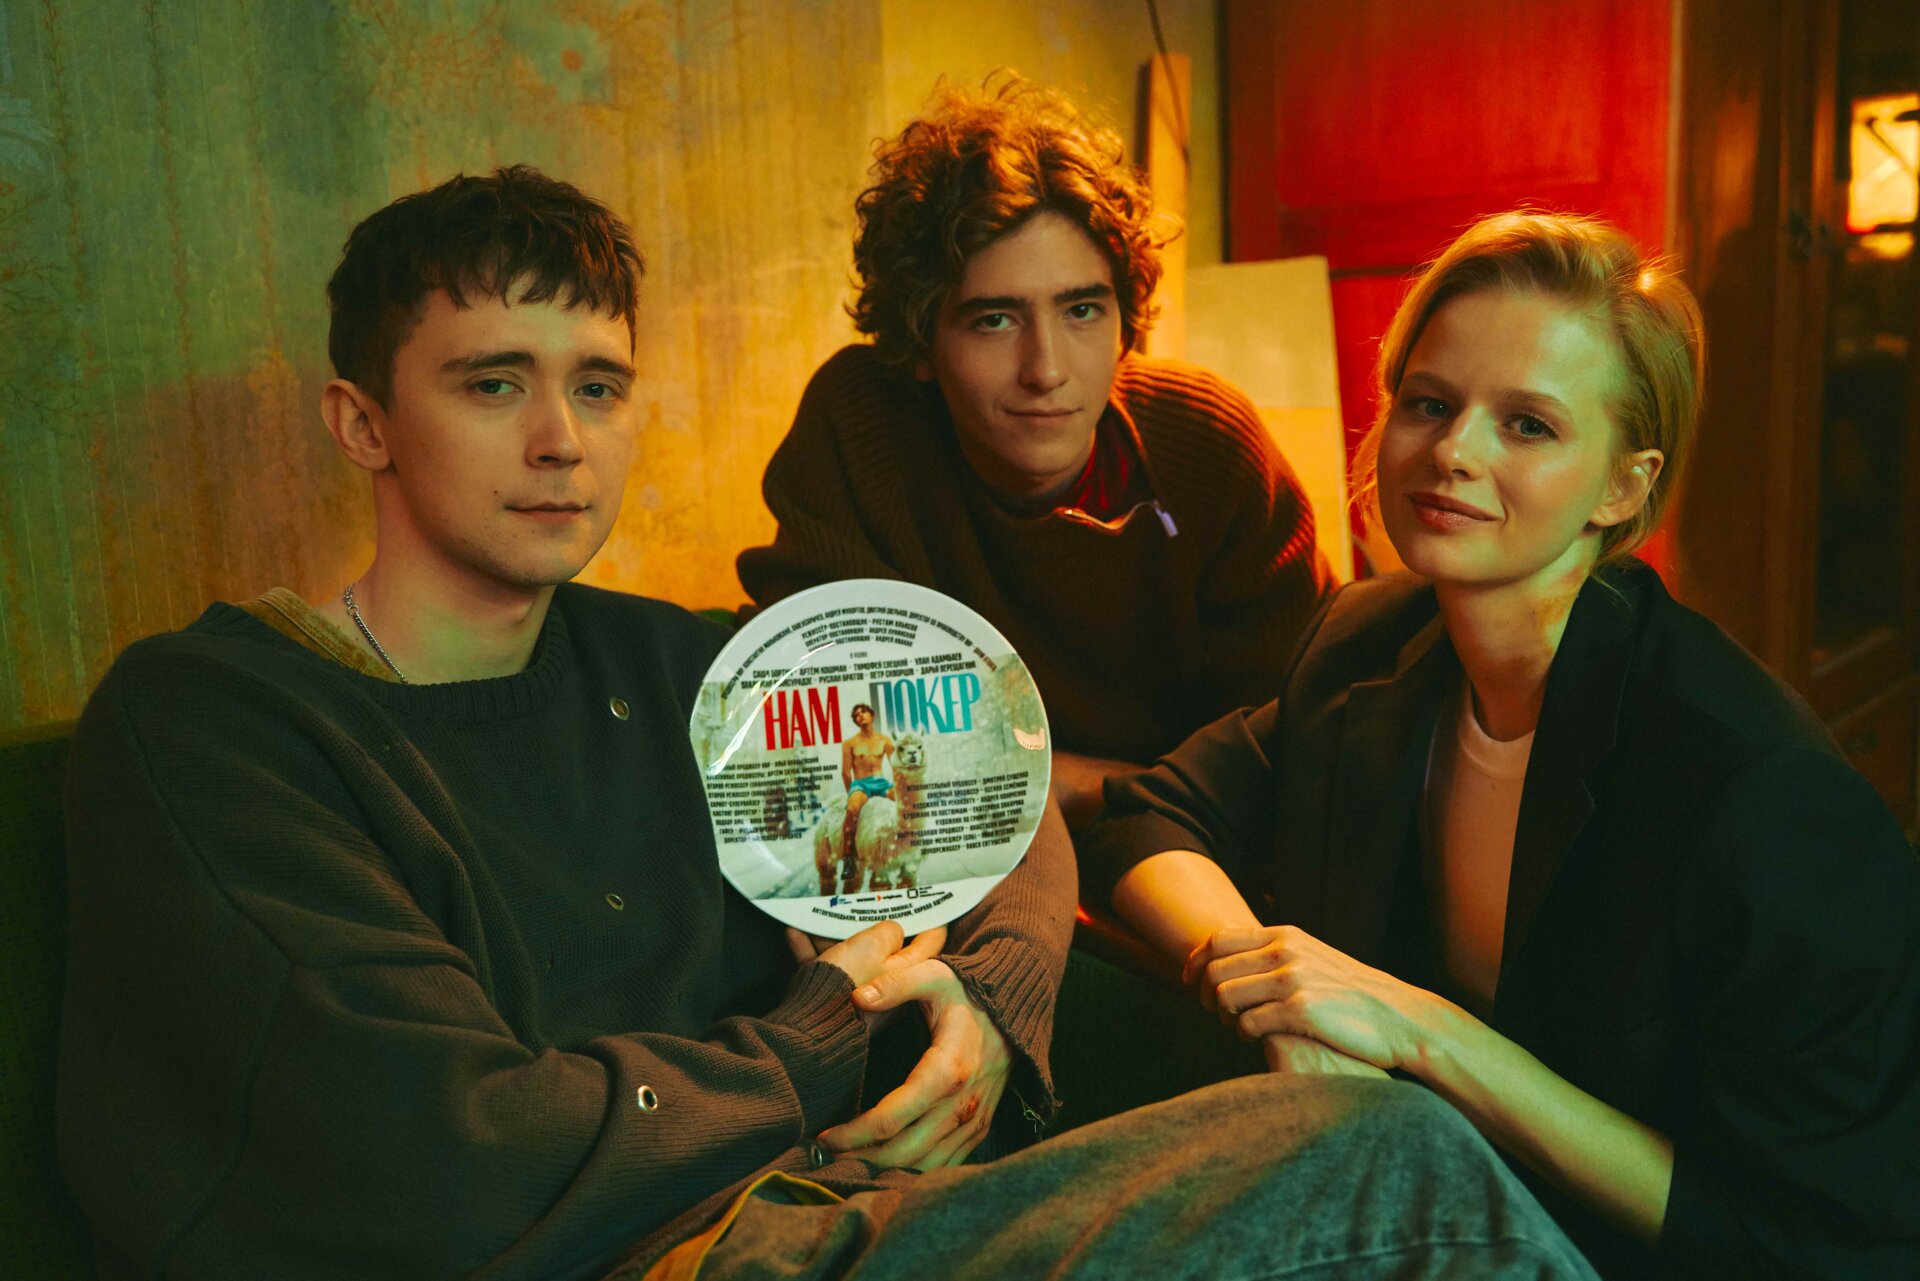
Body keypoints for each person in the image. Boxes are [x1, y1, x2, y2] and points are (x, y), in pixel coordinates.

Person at [56, 167, 1601, 1281]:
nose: (560, 440)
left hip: (838, 1204)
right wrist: (818, 1037)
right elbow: (451, 1156)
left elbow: (995, 796)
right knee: (1396, 1168)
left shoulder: (688, 666)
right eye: (493, 384)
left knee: (1368, 1125)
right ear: (363, 422)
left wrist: (986, 1002)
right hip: (658, 1252)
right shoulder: (223, 721)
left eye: (599, 386)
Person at [1079, 210, 1920, 1279]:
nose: (1454, 452)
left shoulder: (1756, 790)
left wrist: (1423, 1031)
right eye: (1429, 404)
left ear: (1624, 486)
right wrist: (1277, 991)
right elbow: (1150, 818)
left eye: (1528, 424)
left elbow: (1813, 1238)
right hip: (1403, 1206)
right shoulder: (1368, 642)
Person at [737, 78, 1330, 824]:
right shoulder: (862, 426)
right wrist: (1070, 784)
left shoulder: (1207, 447)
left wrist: (1067, 789)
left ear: (1124, 321)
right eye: (994, 320)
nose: (1046, 369)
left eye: (1081, 310)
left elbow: (1298, 743)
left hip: (1184, 838)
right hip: (952, 838)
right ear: (920, 342)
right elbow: (817, 728)